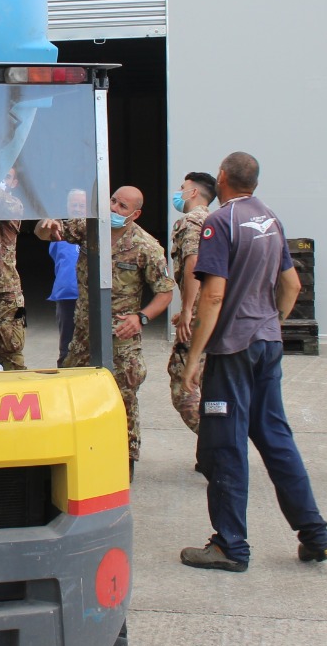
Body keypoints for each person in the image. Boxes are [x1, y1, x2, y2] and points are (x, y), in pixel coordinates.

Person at [178, 152, 327, 572]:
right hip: (266, 344)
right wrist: (270, 323)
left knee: (226, 445)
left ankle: (230, 545)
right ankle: (315, 535)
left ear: (222, 177)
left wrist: (194, 357)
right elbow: (292, 285)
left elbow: (213, 295)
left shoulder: (219, 222)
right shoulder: (269, 218)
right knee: (276, 438)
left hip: (232, 351)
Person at [36, 186, 173, 472]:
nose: (113, 209)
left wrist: (141, 318)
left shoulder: (146, 247)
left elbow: (164, 293)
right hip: (84, 332)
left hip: (120, 336)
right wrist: (44, 227)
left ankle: (125, 459)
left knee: (124, 396)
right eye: (112, 201)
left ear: (135, 214)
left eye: (122, 207)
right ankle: (74, 449)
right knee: (72, 390)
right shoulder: (89, 227)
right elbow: (47, 233)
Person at [167, 171, 218, 433]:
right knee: (210, 386)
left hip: (199, 318)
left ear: (193, 192)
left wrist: (187, 310)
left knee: (185, 390)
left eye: (182, 187)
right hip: (214, 313)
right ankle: (218, 444)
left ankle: (217, 441)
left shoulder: (190, 221)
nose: (178, 193)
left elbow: (194, 262)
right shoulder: (216, 221)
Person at [0, 171, 26, 370]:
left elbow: (2, 202)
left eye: (6, 177)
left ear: (14, 183)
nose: (1, 181)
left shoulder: (13, 205)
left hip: (5, 295)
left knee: (10, 356)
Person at [47, 189, 89, 363]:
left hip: (90, 295)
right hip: (67, 295)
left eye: (82, 205)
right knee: (67, 345)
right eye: (74, 205)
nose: (77, 208)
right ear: (67, 206)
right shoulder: (59, 230)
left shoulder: (96, 231)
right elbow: (42, 231)